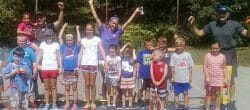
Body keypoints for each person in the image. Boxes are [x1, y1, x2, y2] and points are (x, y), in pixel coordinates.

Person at [188, 4, 250, 102]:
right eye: (220, 12)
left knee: (231, 77)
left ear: (228, 14)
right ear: (217, 13)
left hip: (230, 53)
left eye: (224, 13)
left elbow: (247, 35)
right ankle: (215, 98)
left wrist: (248, 26)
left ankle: (231, 100)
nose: (222, 15)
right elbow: (199, 33)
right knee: (213, 76)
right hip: (216, 54)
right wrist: (193, 25)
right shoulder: (212, 24)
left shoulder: (235, 24)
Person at [88, 0, 142, 100]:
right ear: (109, 23)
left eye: (116, 24)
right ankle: (106, 100)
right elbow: (96, 17)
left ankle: (118, 99)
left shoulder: (119, 31)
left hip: (116, 59)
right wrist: (91, 4)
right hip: (103, 59)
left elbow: (128, 22)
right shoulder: (103, 28)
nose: (115, 25)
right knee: (106, 79)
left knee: (117, 78)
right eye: (113, 23)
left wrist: (135, 12)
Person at [78, 23, 107, 109]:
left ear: (93, 30)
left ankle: (93, 102)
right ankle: (87, 102)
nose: (89, 31)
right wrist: (78, 63)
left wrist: (106, 62)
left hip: (94, 63)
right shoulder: (83, 40)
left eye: (90, 30)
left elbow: (102, 50)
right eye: (87, 29)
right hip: (84, 64)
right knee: (87, 84)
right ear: (85, 30)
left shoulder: (97, 39)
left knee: (92, 83)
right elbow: (81, 52)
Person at [7, 35, 37, 107]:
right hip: (16, 75)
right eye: (19, 41)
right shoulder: (13, 50)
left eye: (23, 41)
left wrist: (35, 70)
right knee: (16, 91)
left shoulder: (30, 50)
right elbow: (9, 62)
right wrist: (13, 71)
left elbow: (34, 61)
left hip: (27, 74)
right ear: (17, 41)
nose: (21, 42)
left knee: (29, 91)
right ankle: (17, 104)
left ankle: (30, 105)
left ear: (26, 41)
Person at [36, 29, 62, 109]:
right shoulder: (42, 44)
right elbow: (39, 55)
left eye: (49, 35)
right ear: (44, 37)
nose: (48, 37)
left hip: (54, 68)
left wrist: (60, 67)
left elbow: (58, 56)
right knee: (46, 87)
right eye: (46, 35)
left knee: (53, 86)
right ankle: (47, 104)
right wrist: (36, 64)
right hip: (45, 68)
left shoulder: (56, 44)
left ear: (52, 36)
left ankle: (54, 104)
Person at [58, 23, 81, 110]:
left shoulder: (76, 47)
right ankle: (67, 103)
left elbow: (79, 41)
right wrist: (63, 27)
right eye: (67, 40)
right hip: (66, 70)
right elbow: (60, 37)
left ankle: (75, 104)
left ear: (73, 40)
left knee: (74, 87)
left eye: (70, 40)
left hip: (74, 70)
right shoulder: (63, 46)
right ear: (65, 41)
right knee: (67, 88)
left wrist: (77, 30)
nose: (69, 42)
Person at [170, 37, 194, 110]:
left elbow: (190, 67)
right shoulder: (174, 55)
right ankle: (176, 106)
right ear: (175, 46)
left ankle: (186, 106)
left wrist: (190, 77)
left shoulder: (188, 55)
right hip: (177, 79)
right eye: (177, 46)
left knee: (185, 93)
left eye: (180, 46)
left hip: (185, 79)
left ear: (184, 46)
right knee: (176, 93)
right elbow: (172, 67)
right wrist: (173, 77)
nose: (179, 47)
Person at [203, 41, 227, 110]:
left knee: (217, 94)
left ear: (220, 48)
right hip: (209, 79)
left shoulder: (223, 56)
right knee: (208, 94)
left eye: (216, 48)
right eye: (213, 48)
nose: (214, 50)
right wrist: (207, 76)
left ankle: (217, 108)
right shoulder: (207, 55)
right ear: (210, 48)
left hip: (219, 79)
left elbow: (224, 68)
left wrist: (225, 78)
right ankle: (207, 107)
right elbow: (205, 66)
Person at [136, 39, 154, 104]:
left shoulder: (154, 52)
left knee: (148, 88)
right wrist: (137, 72)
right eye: (147, 45)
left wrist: (154, 50)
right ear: (145, 46)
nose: (149, 46)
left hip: (150, 74)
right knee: (141, 87)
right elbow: (138, 63)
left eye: (150, 45)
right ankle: (139, 98)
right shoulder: (141, 52)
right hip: (142, 73)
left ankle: (147, 99)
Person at [119, 43, 136, 108]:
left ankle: (130, 104)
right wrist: (126, 45)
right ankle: (123, 104)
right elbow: (120, 51)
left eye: (128, 52)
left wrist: (133, 51)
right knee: (123, 92)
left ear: (130, 53)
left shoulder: (131, 59)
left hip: (130, 78)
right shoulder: (122, 58)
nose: (126, 53)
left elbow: (135, 58)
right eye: (125, 52)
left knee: (130, 92)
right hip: (123, 77)